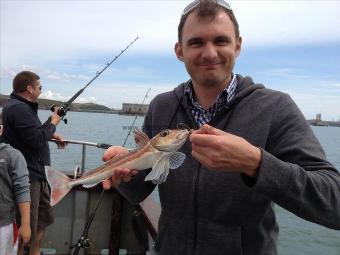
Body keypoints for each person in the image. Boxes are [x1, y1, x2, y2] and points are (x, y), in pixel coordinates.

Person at [102, 1, 340, 254]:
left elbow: (333, 203)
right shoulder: (162, 106)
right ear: (179, 50)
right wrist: (126, 173)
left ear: (238, 45)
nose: (209, 53)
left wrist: (256, 164)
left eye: (221, 41)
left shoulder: (276, 108)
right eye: (196, 43)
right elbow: (140, 190)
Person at [1, 70, 66, 255]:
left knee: (40, 225)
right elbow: (36, 139)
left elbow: (31, 133)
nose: (41, 91)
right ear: (29, 88)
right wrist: (53, 121)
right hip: (28, 178)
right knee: (25, 233)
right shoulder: (19, 109)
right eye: (39, 87)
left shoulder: (22, 107)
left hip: (38, 175)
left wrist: (51, 134)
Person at [0, 136, 31, 255]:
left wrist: (25, 224)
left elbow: (22, 190)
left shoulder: (13, 156)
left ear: (1, 130)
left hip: (4, 226)